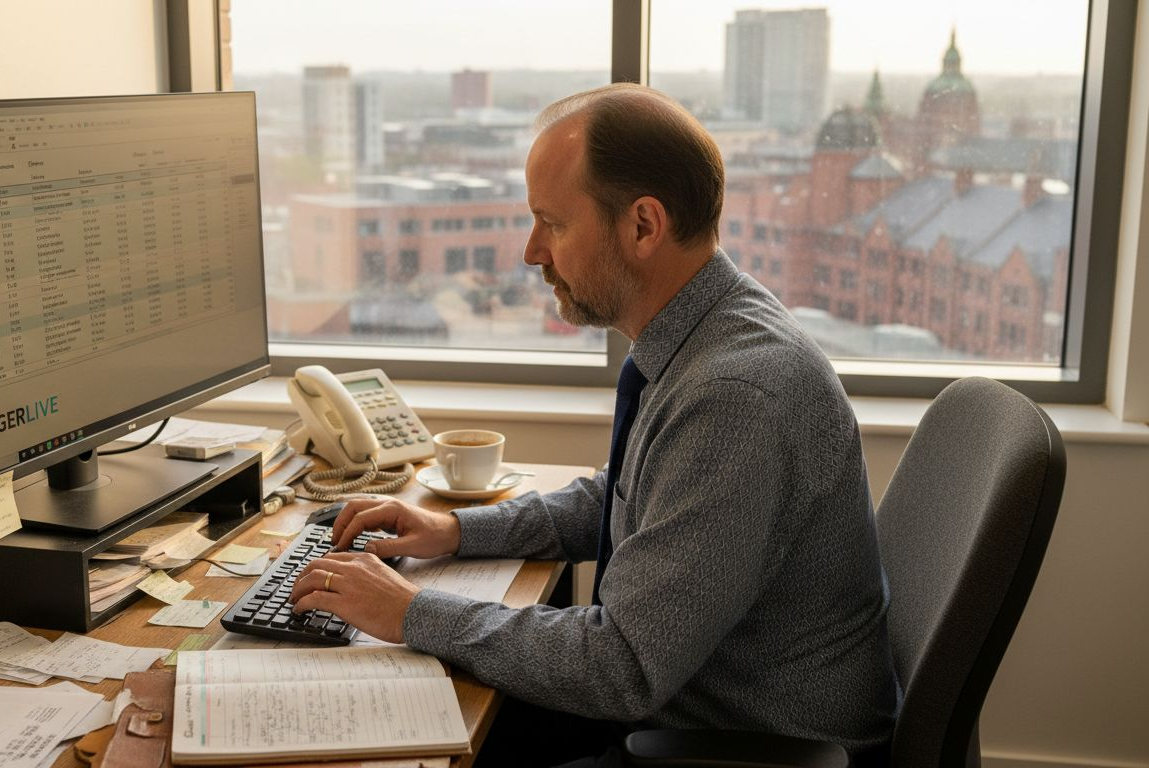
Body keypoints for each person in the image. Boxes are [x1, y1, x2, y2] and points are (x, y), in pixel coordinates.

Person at [289, 83, 899, 766]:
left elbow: (623, 666)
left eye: (552, 223)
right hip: (684, 708)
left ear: (643, 226)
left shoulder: (736, 396)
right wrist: (456, 530)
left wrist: (408, 611)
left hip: (729, 745)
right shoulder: (710, 330)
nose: (531, 251)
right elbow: (625, 498)